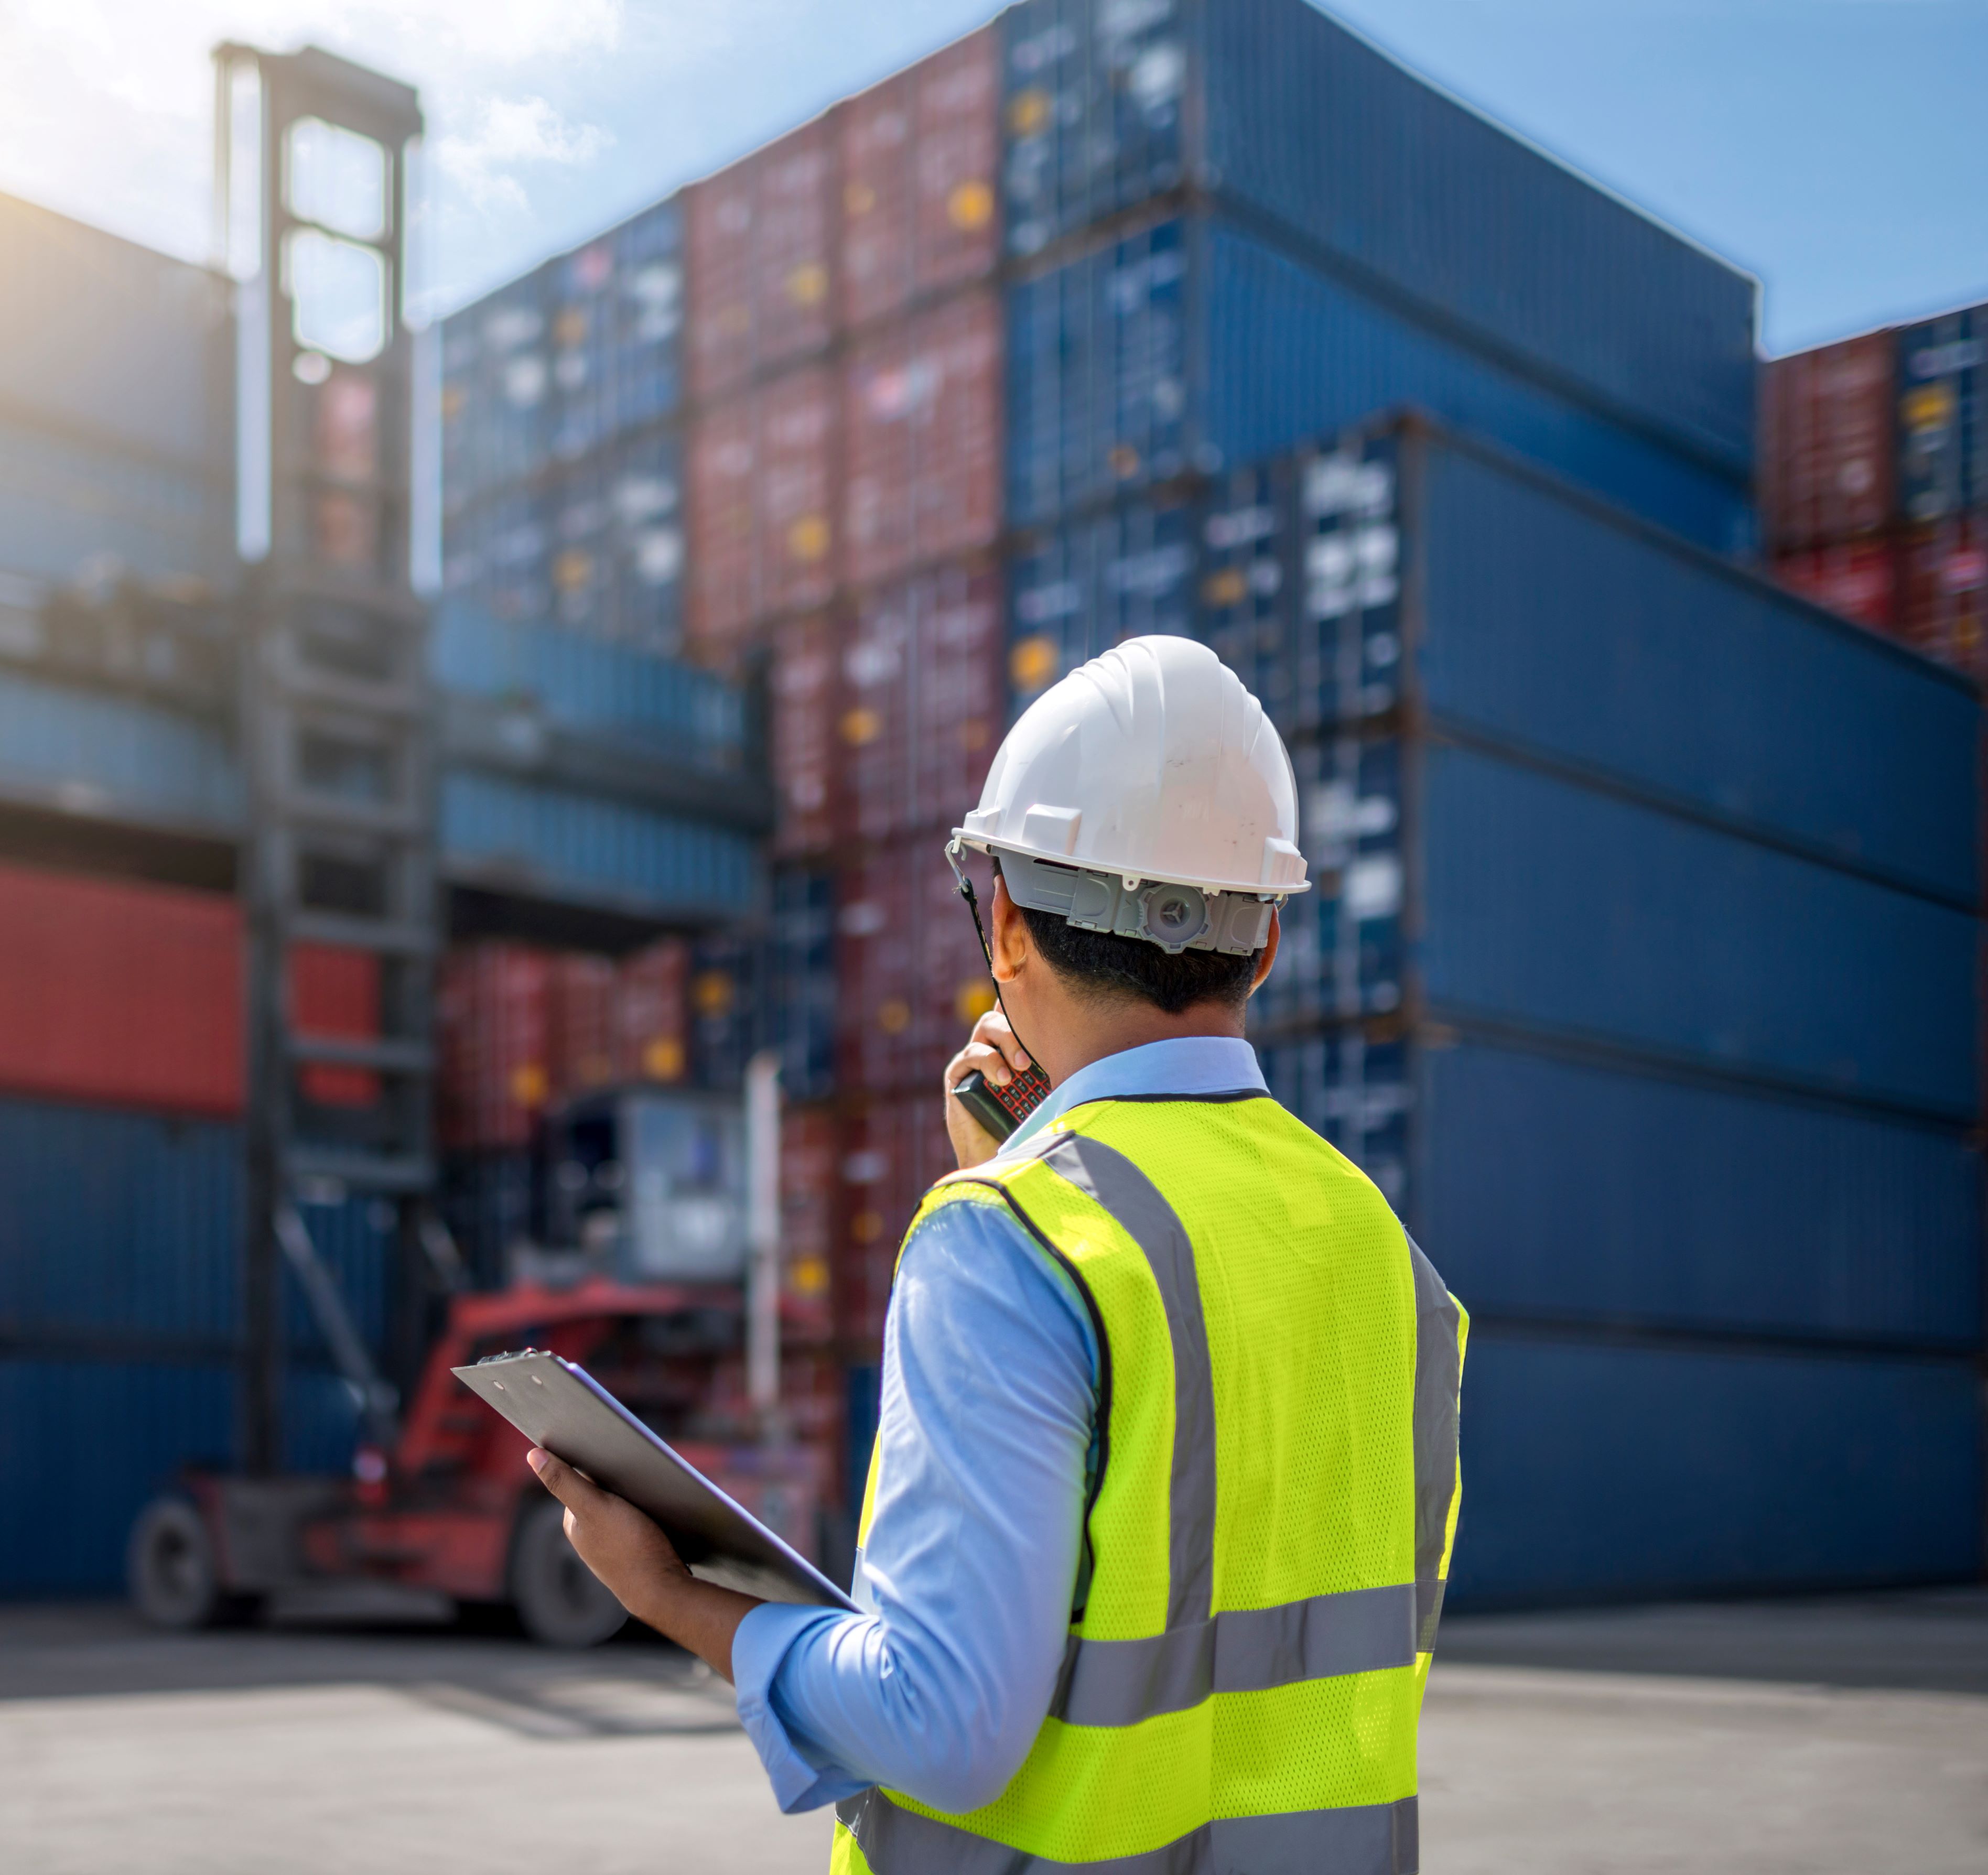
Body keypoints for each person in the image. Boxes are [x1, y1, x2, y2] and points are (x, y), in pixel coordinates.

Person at [531, 635, 1467, 1874]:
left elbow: (947, 1723)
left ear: (1008, 924)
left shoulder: (1005, 1247)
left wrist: (674, 1597)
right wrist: (1011, 1178)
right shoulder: (1388, 1259)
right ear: (1269, 939)